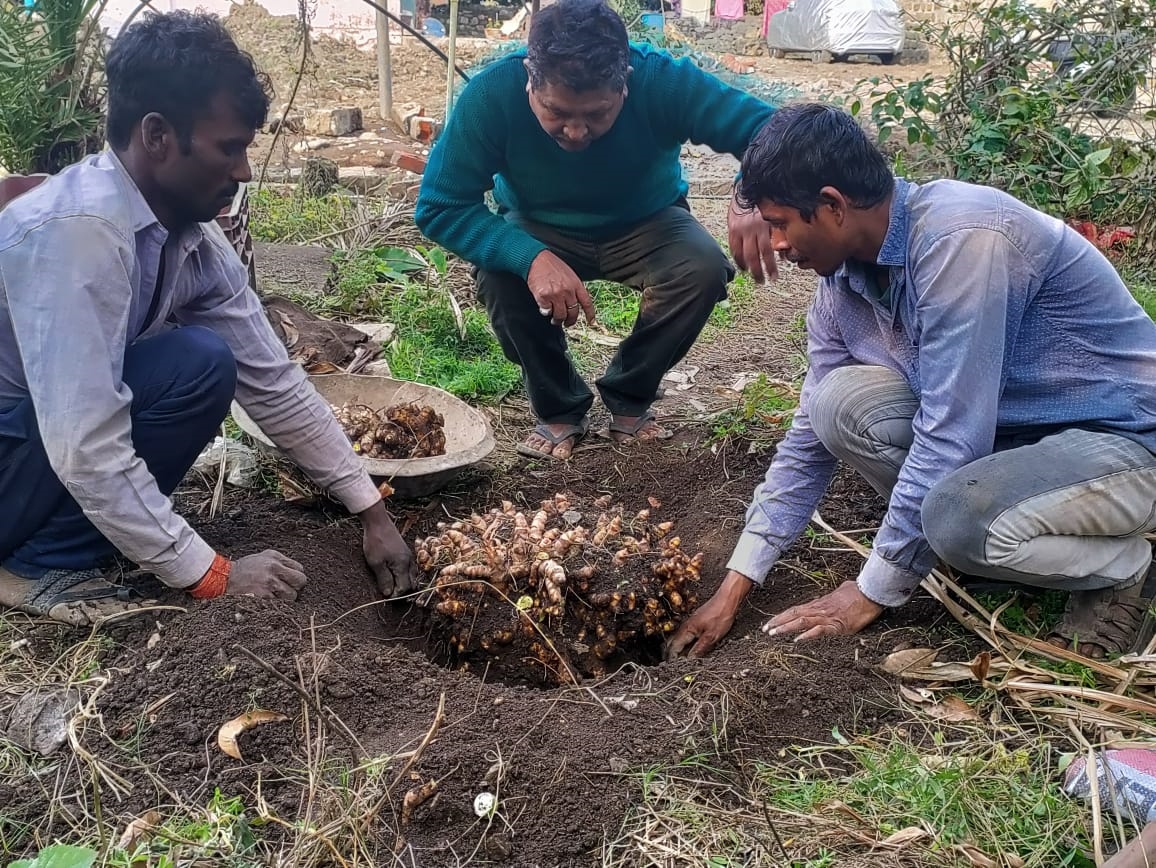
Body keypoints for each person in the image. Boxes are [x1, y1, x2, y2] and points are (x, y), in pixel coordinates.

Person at [668, 103, 1156, 660]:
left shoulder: (964, 242)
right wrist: (736, 584)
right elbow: (807, 438)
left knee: (954, 519)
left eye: (780, 224)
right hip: (1017, 437)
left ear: (832, 205)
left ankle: (1122, 568)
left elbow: (952, 434)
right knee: (837, 405)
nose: (776, 243)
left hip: (1124, 442)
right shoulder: (842, 283)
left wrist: (870, 590)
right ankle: (987, 541)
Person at [0, 11, 416, 625]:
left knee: (202, 362)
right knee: (190, 363)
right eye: (230, 148)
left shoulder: (186, 233)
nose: (244, 170)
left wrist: (372, 512)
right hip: (18, 448)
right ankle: (36, 565)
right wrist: (210, 573)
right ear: (158, 135)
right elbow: (85, 446)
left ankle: (67, 541)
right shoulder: (81, 236)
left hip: (33, 446)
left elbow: (272, 379)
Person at [415, 0, 778, 460]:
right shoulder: (491, 96)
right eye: (557, 112)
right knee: (500, 276)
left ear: (624, 83)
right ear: (530, 78)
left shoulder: (663, 81)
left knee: (701, 269)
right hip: (538, 225)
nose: (576, 131)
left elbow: (770, 129)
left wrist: (748, 194)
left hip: (647, 222)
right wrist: (528, 257)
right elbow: (440, 204)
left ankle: (631, 395)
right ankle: (558, 408)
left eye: (597, 114)